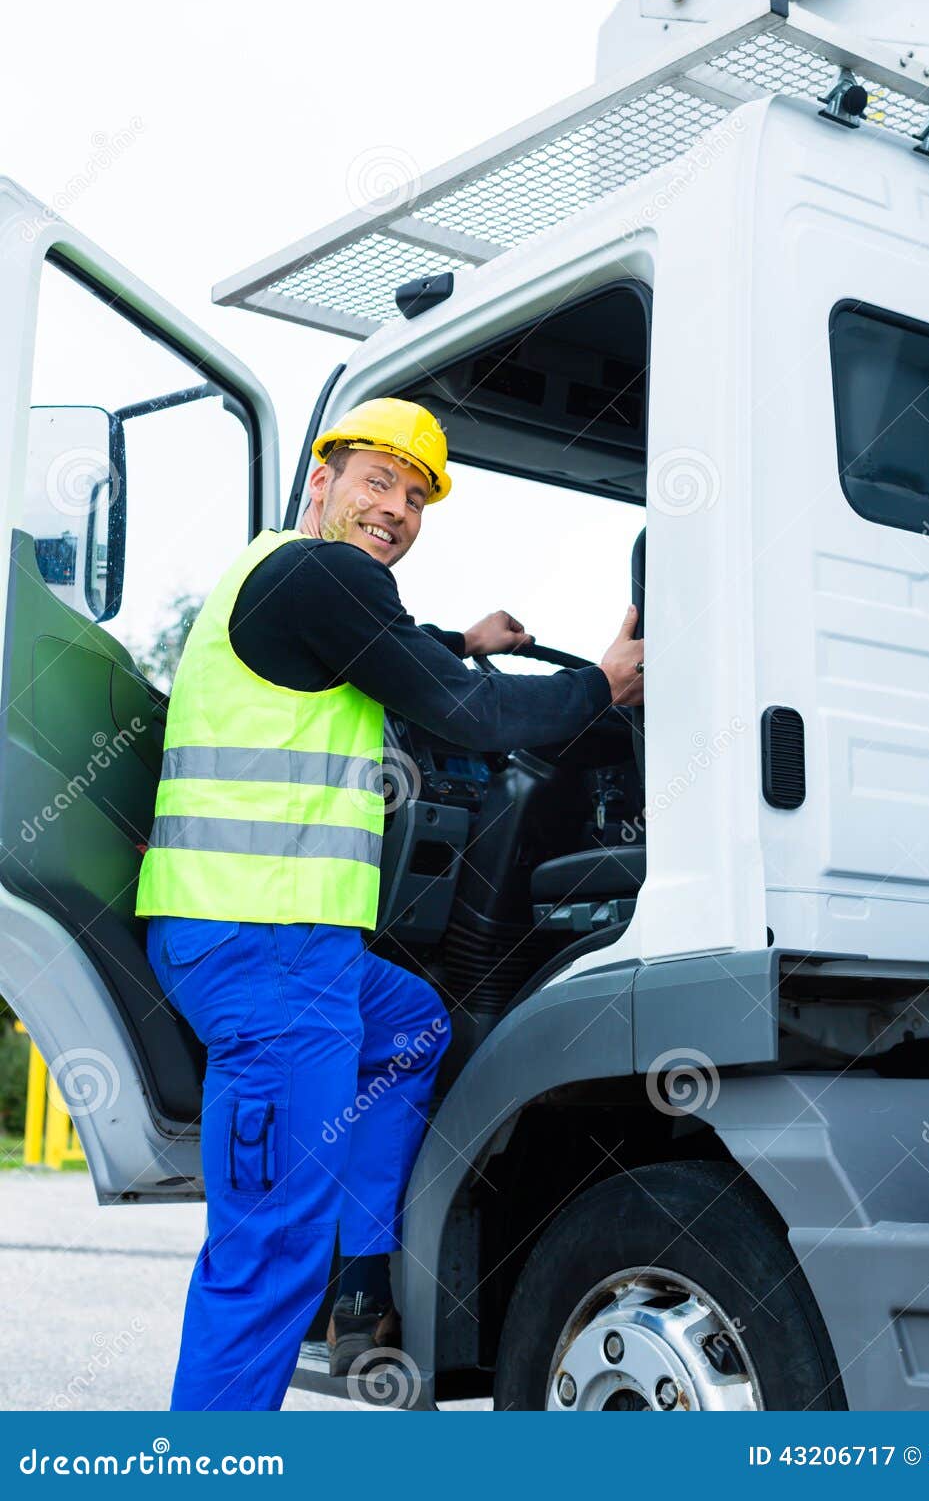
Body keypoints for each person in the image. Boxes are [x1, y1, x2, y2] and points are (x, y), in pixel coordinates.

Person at [136, 395, 645, 1410]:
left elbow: (391, 650)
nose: (396, 508)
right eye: (377, 480)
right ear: (319, 483)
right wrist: (598, 683)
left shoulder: (288, 579)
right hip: (264, 949)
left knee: (412, 1025)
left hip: (276, 945)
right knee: (267, 1248)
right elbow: (467, 713)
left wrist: (457, 636)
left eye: (414, 496)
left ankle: (362, 1281)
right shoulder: (318, 573)